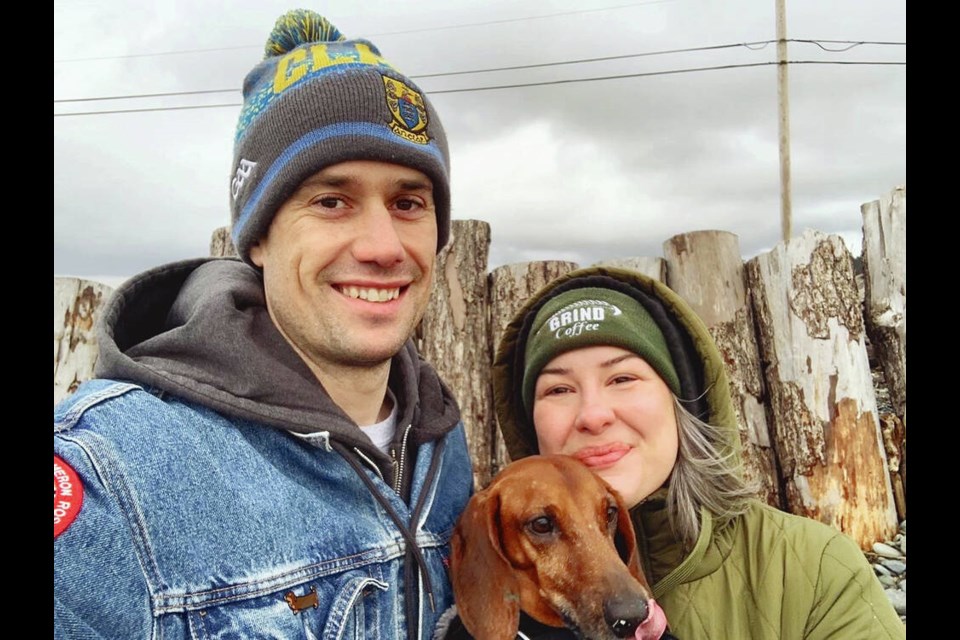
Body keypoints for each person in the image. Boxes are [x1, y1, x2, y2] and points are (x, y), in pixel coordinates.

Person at [53, 10, 473, 639]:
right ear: (258, 238)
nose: (384, 247)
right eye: (331, 201)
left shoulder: (442, 442)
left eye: (409, 202)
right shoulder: (111, 477)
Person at [486, 265, 904, 639]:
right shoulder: (482, 571)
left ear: (681, 400)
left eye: (622, 378)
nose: (593, 415)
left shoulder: (817, 571)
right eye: (559, 389)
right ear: (529, 420)